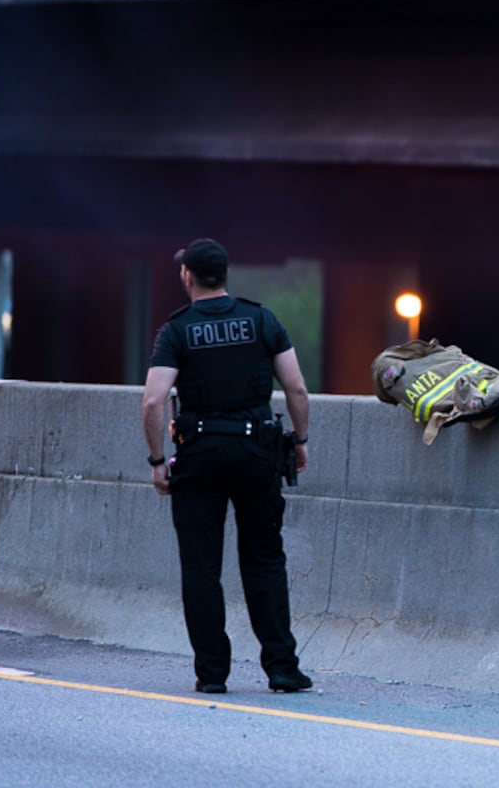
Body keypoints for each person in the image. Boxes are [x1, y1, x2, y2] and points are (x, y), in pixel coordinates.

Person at [140, 238, 315, 695]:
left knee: (201, 568)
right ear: (226, 274)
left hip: (198, 456)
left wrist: (158, 460)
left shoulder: (176, 330)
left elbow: (154, 401)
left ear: (187, 276)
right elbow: (296, 389)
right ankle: (282, 668)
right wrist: (299, 440)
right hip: (257, 451)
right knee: (264, 561)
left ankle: (213, 674)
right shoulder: (262, 319)